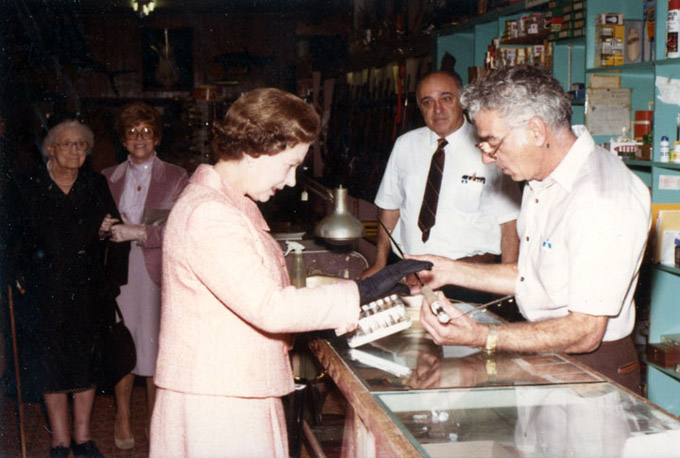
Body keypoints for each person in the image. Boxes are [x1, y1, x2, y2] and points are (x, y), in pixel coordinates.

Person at [150, 87, 431, 456]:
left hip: (234, 388)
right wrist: (361, 292)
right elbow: (270, 307)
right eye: (289, 165)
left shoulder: (226, 205)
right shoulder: (210, 214)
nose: (292, 181)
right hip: (220, 402)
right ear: (255, 150)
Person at [412, 65, 651, 393]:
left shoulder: (601, 197)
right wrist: (449, 270)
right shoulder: (543, 178)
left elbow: (585, 329)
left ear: (537, 131)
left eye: (492, 143)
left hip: (592, 373)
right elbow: (533, 276)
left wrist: (484, 337)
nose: (487, 159)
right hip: (546, 353)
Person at [7, 119, 128, 457]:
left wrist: (112, 279)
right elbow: (8, 236)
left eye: (80, 145)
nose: (75, 150)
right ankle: (60, 441)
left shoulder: (94, 183)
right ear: (51, 148)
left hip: (87, 289)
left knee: (84, 364)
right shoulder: (26, 185)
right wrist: (13, 272)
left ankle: (83, 438)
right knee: (51, 364)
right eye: (67, 144)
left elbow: (115, 230)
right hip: (42, 290)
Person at [363, 70, 521, 303]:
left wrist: (505, 286)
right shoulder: (406, 145)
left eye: (446, 99)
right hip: (410, 276)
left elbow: (509, 224)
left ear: (462, 101)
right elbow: (390, 207)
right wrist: (380, 262)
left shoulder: (490, 148)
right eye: (428, 102)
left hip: (469, 279)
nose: (437, 109)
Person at [101, 101, 188, 450]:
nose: (140, 138)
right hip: (118, 273)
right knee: (122, 344)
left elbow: (180, 231)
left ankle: (156, 421)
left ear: (158, 138)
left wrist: (139, 233)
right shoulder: (106, 177)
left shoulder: (177, 176)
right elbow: (97, 228)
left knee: (154, 348)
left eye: (147, 131)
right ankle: (122, 416)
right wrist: (104, 228)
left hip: (156, 271)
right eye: (132, 132)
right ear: (123, 140)